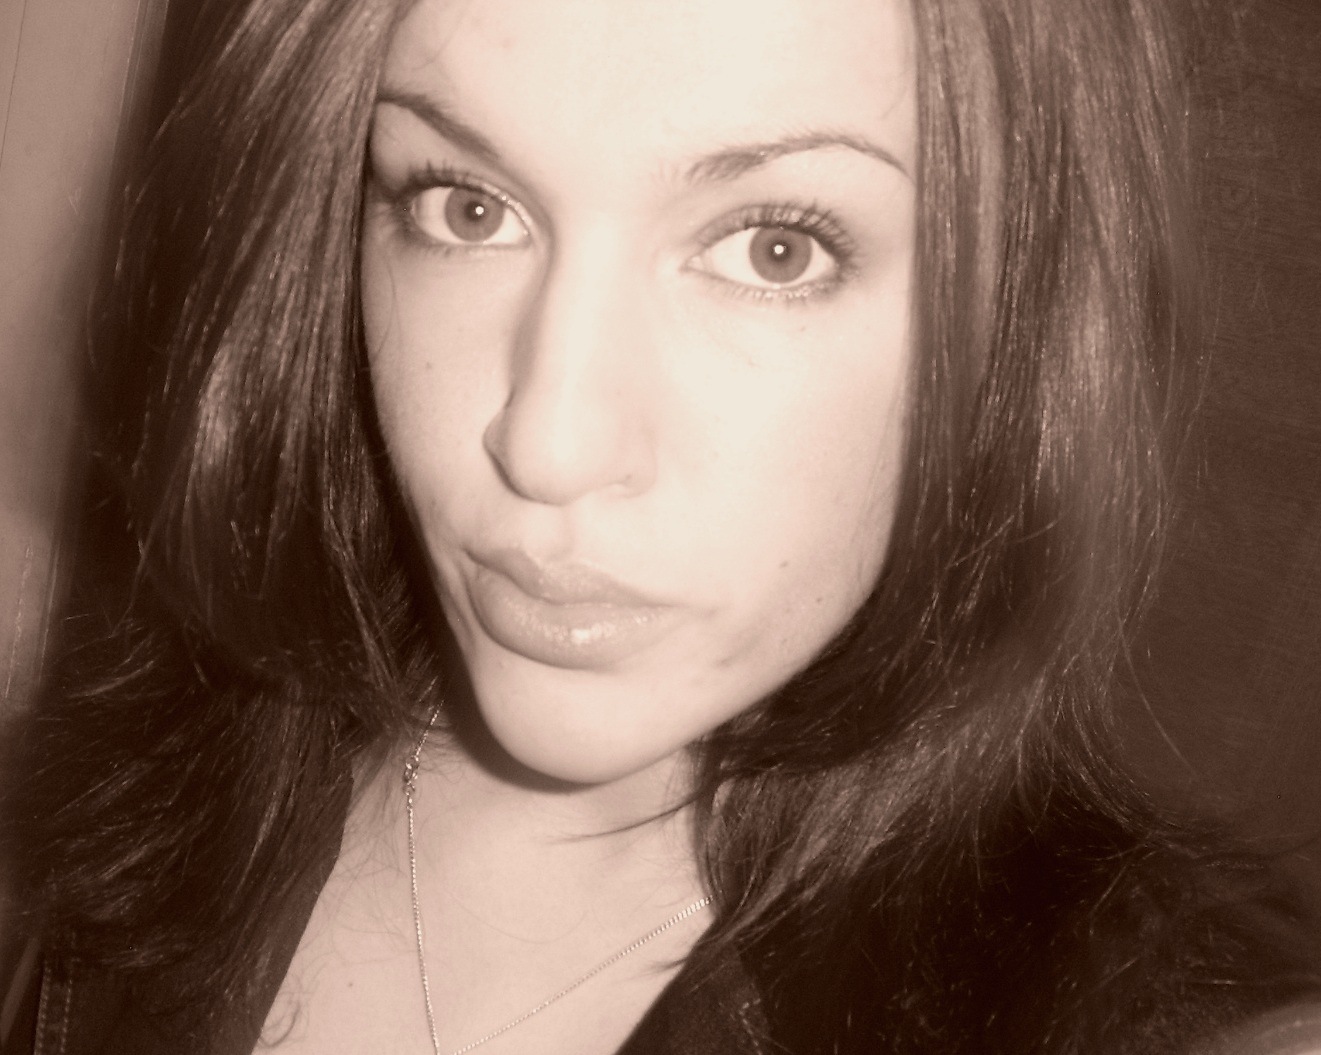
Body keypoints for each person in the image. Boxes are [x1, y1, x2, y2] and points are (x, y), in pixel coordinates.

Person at [1, 0, 1318, 1052]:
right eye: (466, 206)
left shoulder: (1142, 1014)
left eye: (774, 248)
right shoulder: (155, 765)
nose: (547, 441)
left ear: (1021, 320)